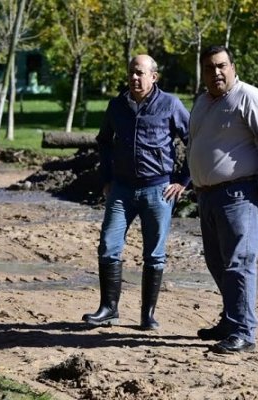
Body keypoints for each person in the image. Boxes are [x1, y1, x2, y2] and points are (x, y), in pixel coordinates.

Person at [187, 45, 258, 353]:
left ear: (232, 67)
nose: (216, 72)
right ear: (202, 73)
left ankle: (244, 331)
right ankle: (231, 321)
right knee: (217, 263)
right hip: (207, 196)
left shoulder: (248, 97)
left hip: (240, 194)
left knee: (239, 263)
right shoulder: (203, 102)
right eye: (209, 68)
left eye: (221, 66)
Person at [82, 54, 190, 330]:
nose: (134, 78)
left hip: (159, 189)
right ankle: (108, 309)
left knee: (154, 255)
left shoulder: (171, 105)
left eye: (140, 73)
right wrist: (105, 178)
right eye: (131, 72)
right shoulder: (117, 105)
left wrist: (183, 180)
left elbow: (194, 140)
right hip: (121, 189)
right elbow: (104, 141)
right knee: (108, 246)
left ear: (154, 77)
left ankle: (147, 315)